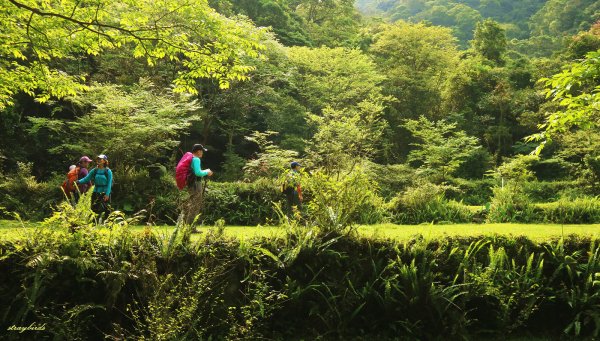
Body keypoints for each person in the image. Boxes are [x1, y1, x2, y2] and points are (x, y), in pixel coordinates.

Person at [76, 154, 113, 221]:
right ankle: (94, 223)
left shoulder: (108, 171)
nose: (98, 160)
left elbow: (109, 183)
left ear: (104, 161)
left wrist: (107, 194)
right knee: (94, 208)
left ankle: (108, 224)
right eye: (98, 159)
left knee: (107, 209)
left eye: (100, 159)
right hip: (96, 191)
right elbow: (86, 179)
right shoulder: (94, 170)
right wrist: (78, 182)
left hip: (105, 191)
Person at [185, 144, 214, 225]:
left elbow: (196, 171)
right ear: (198, 151)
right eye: (202, 151)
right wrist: (207, 172)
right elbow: (198, 173)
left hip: (191, 184)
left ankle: (188, 226)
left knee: (192, 205)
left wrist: (204, 171)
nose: (202, 153)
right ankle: (191, 227)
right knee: (195, 206)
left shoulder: (191, 159)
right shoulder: (196, 159)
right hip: (196, 184)